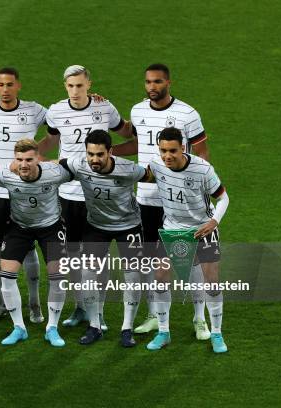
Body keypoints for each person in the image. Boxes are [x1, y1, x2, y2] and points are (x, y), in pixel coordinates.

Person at [113, 63, 212, 339]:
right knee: (151, 261)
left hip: (179, 202)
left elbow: (202, 154)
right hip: (146, 199)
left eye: (157, 82)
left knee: (188, 260)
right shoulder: (138, 110)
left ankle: (199, 318)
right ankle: (155, 316)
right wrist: (108, 151)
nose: (151, 87)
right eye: (148, 82)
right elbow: (139, 145)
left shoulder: (187, 114)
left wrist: (194, 188)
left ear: (168, 82)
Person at [38, 65, 132, 330]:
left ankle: (98, 313)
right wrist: (34, 156)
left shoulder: (105, 108)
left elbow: (127, 132)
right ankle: (81, 306)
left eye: (80, 85)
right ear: (64, 86)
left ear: (89, 84)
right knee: (71, 256)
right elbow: (51, 139)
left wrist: (113, 156)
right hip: (67, 195)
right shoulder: (55, 111)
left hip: (98, 196)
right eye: (70, 86)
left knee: (95, 258)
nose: (75, 91)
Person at [144, 127, 229, 353]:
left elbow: (223, 197)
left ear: (183, 148)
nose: (167, 156)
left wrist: (214, 221)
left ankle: (217, 334)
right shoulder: (156, 163)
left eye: (172, 150)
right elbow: (140, 174)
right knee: (160, 276)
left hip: (203, 230)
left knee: (212, 282)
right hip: (172, 229)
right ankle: (163, 332)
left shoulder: (203, 169)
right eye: (163, 150)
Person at [60, 130, 148, 347]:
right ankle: (95, 325)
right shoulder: (79, 163)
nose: (94, 159)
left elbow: (152, 176)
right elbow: (57, 164)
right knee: (88, 272)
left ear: (110, 152)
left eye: (100, 154)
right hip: (96, 226)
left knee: (132, 275)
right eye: (91, 154)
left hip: (129, 226)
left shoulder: (128, 168)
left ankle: (127, 329)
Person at [0, 67, 47, 323]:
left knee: (27, 248)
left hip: (24, 192)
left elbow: (61, 123)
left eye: (10, 85)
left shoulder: (35, 110)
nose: (5, 90)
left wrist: (41, 153)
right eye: (1, 85)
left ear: (18, 86)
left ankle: (34, 304)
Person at [0, 140, 72, 347]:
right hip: (19, 227)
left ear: (39, 159)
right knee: (7, 276)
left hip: (51, 227)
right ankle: (19, 327)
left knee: (58, 276)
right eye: (19, 159)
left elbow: (76, 167)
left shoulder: (55, 173)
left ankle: (52, 328)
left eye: (29, 159)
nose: (24, 164)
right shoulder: (5, 174)